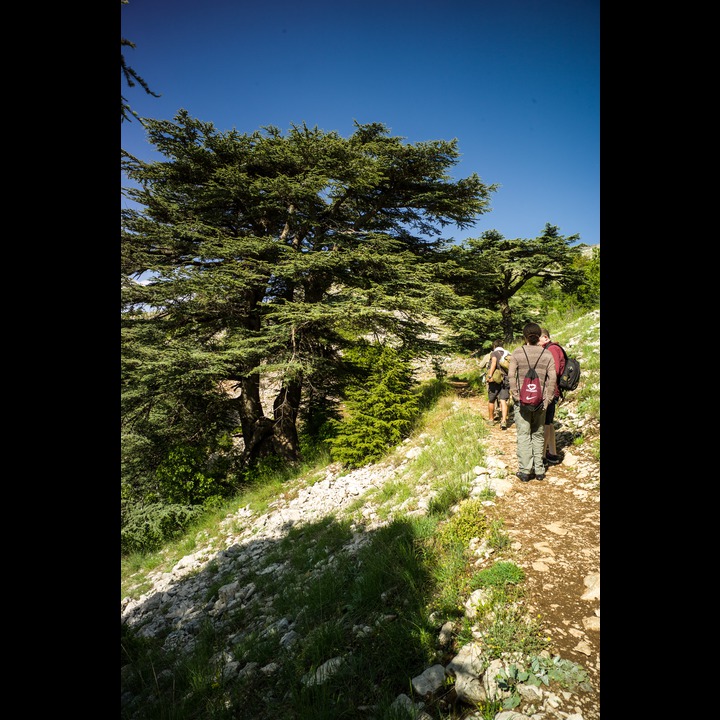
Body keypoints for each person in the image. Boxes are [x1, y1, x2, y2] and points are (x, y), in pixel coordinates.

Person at [507, 322, 557, 482]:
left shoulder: (517, 352)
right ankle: (540, 470)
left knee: (523, 435)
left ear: (525, 336)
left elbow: (511, 375)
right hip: (540, 402)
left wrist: (515, 395)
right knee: (538, 434)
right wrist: (548, 399)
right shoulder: (546, 354)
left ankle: (525, 471)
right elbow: (552, 378)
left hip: (522, 402)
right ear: (538, 336)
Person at [539, 328, 565, 466]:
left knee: (546, 423)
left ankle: (542, 456)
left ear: (545, 337)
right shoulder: (552, 348)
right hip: (552, 390)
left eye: (538, 339)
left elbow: (553, 370)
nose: (536, 342)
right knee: (549, 423)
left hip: (550, 390)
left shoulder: (552, 349)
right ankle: (553, 453)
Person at [486, 340, 510, 429]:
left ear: (494, 346)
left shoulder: (494, 353)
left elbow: (493, 363)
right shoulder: (508, 353)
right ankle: (504, 421)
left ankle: (491, 420)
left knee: (491, 399)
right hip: (506, 379)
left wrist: (489, 375)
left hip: (495, 379)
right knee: (503, 400)